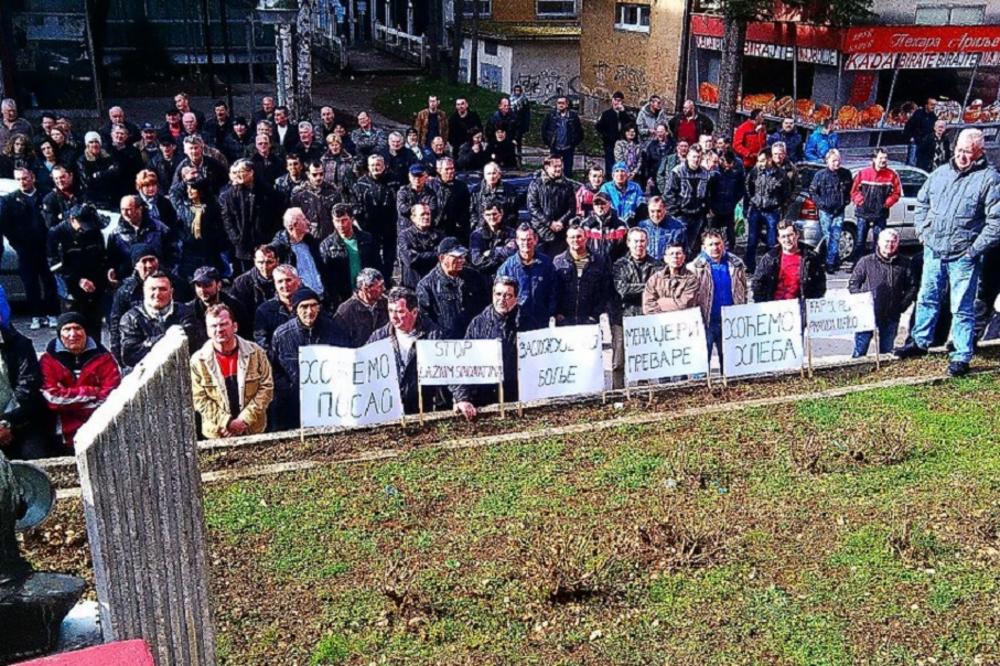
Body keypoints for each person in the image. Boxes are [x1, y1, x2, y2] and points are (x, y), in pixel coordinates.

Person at [896, 128, 1000, 376]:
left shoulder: (989, 179)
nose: (962, 156)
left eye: (968, 152)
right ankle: (919, 341)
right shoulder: (940, 174)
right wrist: (923, 231)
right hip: (934, 250)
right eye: (960, 150)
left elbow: (996, 223)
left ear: (980, 152)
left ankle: (961, 355)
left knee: (962, 307)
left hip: (964, 255)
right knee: (927, 298)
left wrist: (973, 250)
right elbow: (922, 203)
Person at [452, 276, 536, 420]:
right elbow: (464, 362)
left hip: (519, 398)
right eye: (498, 294)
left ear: (516, 298)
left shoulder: (528, 322)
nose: (502, 299)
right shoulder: (478, 324)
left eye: (508, 295)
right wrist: (462, 397)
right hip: (485, 398)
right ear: (492, 295)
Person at [39, 311, 121, 452]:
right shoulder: (48, 360)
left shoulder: (105, 358)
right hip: (62, 433)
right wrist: (93, 391)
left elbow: (112, 396)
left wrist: (67, 397)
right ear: (59, 334)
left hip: (100, 427)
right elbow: (52, 399)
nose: (73, 334)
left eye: (77, 328)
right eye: (67, 329)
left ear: (85, 332)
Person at [190, 304, 273, 439]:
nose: (219, 330)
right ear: (207, 330)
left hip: (253, 430)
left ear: (235, 326)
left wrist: (244, 420)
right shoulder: (197, 361)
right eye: (213, 326)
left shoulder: (256, 353)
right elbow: (198, 398)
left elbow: (267, 388)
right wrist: (227, 422)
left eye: (223, 324)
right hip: (217, 434)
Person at [270, 288, 347, 429]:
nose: (309, 311)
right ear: (295, 309)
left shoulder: (334, 330)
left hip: (328, 401)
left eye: (313, 305)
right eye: (304, 307)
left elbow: (346, 360)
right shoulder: (282, 335)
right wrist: (291, 389)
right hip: (294, 404)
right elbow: (274, 370)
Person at [367, 286, 443, 414]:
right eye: (390, 311)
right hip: (389, 408)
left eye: (400, 312)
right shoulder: (379, 337)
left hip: (424, 408)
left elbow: (449, 370)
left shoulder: (434, 336)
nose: (394, 317)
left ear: (414, 312)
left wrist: (461, 398)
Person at [0, 167, 59, 329]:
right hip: (25, 249)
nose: (22, 182)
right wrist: (17, 244)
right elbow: (6, 226)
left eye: (25, 178)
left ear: (32, 177)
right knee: (30, 283)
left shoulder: (45, 196)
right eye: (18, 179)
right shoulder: (9, 200)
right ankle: (36, 315)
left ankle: (52, 313)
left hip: (46, 247)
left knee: (49, 281)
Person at [848, 229, 916, 358]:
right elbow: (853, 284)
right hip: (867, 314)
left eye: (893, 242)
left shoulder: (905, 263)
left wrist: (902, 305)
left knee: (886, 353)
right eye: (886, 241)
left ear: (897, 243)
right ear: (879, 242)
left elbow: (912, 287)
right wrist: (862, 302)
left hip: (891, 314)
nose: (890, 245)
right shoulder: (866, 262)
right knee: (860, 351)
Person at [609, 228, 662, 388]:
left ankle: (643, 393)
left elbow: (660, 290)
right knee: (619, 361)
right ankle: (617, 395)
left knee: (643, 360)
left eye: (642, 241)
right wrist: (648, 288)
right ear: (628, 243)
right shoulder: (619, 264)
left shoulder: (657, 265)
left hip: (646, 317)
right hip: (622, 316)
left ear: (647, 242)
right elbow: (623, 290)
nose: (639, 245)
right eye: (636, 241)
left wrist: (644, 289)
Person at [46, 204, 109, 339]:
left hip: (94, 285)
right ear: (72, 220)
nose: (85, 229)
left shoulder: (94, 230)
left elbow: (101, 257)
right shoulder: (57, 234)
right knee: (73, 329)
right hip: (70, 289)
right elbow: (55, 266)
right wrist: (77, 280)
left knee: (94, 328)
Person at [118, 271, 200, 373]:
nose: (157, 294)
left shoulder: (185, 312)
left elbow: (192, 343)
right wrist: (167, 337)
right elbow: (130, 356)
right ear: (144, 291)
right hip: (145, 376)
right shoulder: (130, 318)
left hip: (182, 371)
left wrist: (148, 344)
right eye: (152, 289)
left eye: (163, 289)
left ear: (171, 292)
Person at [689, 230, 747, 364]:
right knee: (702, 364)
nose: (715, 248)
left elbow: (743, 289)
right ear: (703, 247)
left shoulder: (736, 264)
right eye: (711, 245)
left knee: (730, 364)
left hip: (729, 321)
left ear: (723, 244)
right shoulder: (695, 267)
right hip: (707, 321)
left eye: (718, 243)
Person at [0, 301, 46, 460]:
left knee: (35, 462)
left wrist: (5, 422)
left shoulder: (20, 345)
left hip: (20, 421)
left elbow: (28, 386)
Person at [416, 237, 488, 339]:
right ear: (442, 258)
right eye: (456, 257)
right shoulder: (426, 286)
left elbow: (485, 306)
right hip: (446, 344)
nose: (461, 260)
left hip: (475, 339)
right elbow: (425, 320)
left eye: (462, 256)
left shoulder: (474, 277)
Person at [221, 158, 278, 273]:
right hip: (243, 246)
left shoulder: (267, 191)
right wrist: (236, 238)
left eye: (241, 171)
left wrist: (269, 239)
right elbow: (227, 219)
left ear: (251, 172)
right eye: (236, 173)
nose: (238, 175)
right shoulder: (230, 195)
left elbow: (275, 217)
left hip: (265, 243)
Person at [497, 224, 557, 328]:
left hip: (541, 322)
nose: (526, 243)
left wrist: (551, 313)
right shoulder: (507, 267)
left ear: (535, 240)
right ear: (517, 241)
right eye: (522, 239)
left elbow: (554, 291)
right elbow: (498, 296)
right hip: (516, 323)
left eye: (529, 239)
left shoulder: (546, 264)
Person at [107, 194, 177, 283]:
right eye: (122, 209)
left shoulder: (160, 229)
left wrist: (167, 274)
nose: (125, 213)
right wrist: (111, 270)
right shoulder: (116, 234)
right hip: (128, 282)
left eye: (129, 209)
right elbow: (112, 259)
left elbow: (174, 255)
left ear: (140, 209)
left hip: (157, 278)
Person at [751, 220, 826, 303]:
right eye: (783, 236)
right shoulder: (769, 258)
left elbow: (820, 284)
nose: (787, 240)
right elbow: (757, 283)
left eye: (790, 235)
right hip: (774, 307)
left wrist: (811, 303)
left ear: (797, 235)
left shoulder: (810, 258)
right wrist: (764, 305)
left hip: (801, 306)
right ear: (779, 239)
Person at [319, 203, 380, 304]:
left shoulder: (367, 239)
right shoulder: (327, 245)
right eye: (337, 221)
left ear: (352, 219)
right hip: (343, 296)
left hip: (367, 291)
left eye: (344, 220)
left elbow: (377, 264)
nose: (340, 225)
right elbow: (326, 276)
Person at [554, 224, 610, 327]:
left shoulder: (599, 261)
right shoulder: (558, 262)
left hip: (589, 321)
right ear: (567, 239)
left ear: (586, 238)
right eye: (572, 237)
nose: (576, 240)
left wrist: (595, 314)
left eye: (579, 236)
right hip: (564, 320)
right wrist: (557, 313)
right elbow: (554, 291)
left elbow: (605, 290)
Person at [849, 149, 901, 259]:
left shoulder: (892, 175)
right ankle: (857, 265)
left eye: (885, 158)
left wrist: (886, 204)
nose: (884, 160)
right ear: (874, 159)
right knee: (859, 241)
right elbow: (854, 191)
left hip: (880, 213)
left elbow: (896, 193)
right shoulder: (863, 173)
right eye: (881, 158)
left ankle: (878, 264)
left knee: (879, 242)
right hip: (863, 212)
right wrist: (860, 201)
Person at [353, 154, 398, 279]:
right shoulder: (361, 184)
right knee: (373, 257)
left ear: (384, 166)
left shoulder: (394, 180)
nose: (375, 168)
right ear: (368, 167)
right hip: (369, 227)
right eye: (372, 165)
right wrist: (361, 224)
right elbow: (356, 205)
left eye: (378, 165)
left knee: (389, 257)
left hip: (390, 225)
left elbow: (397, 202)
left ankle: (387, 280)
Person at [744, 150, 789, 275]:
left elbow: (786, 192)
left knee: (771, 241)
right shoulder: (755, 171)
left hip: (772, 210)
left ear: (769, 159)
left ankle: (771, 267)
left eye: (763, 160)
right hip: (756, 208)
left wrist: (778, 203)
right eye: (759, 161)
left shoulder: (780, 174)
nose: (760, 164)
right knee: (752, 240)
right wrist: (753, 199)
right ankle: (750, 266)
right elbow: (748, 186)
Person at [809, 149, 853, 272]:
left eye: (838, 161)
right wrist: (821, 204)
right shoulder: (820, 175)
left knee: (836, 236)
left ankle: (830, 263)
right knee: (828, 237)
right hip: (825, 211)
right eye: (834, 161)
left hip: (839, 210)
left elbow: (850, 190)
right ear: (827, 161)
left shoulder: (846, 174)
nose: (836, 163)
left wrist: (846, 201)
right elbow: (812, 191)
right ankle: (831, 261)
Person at [662, 144, 712, 254]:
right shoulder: (677, 172)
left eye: (699, 157)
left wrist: (705, 210)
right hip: (681, 215)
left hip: (698, 215)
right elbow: (668, 194)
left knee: (694, 246)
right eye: (694, 156)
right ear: (688, 156)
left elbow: (708, 194)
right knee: (679, 244)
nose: (696, 160)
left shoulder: (705, 173)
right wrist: (675, 212)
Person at [527, 155, 577, 256]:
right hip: (540, 230)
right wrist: (549, 223)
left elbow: (572, 208)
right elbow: (533, 207)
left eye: (560, 166)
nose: (558, 169)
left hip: (561, 231)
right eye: (555, 166)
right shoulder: (536, 184)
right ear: (547, 167)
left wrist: (561, 222)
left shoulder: (567, 185)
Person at [187, 266, 251, 338]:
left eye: (207, 285)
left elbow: (246, 334)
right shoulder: (189, 310)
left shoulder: (235, 307)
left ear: (218, 285)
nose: (202, 290)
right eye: (198, 285)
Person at [333, 268, 389, 348]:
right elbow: (339, 340)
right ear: (366, 289)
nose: (384, 289)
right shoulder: (346, 311)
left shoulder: (386, 303)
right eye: (380, 286)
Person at [254, 264, 301, 351]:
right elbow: (261, 341)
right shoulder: (264, 310)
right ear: (275, 284)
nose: (285, 285)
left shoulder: (310, 304)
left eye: (288, 280)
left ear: (298, 281)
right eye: (280, 281)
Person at [290, 160, 342, 239]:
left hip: (330, 236)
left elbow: (339, 216)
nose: (319, 177)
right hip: (308, 237)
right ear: (308, 174)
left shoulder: (333, 191)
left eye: (321, 174)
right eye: (314, 175)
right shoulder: (299, 193)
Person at [642, 243, 700, 314]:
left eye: (678, 253)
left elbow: (686, 305)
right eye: (671, 254)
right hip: (659, 322)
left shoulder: (691, 279)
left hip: (683, 322)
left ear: (684, 257)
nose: (675, 256)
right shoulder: (655, 279)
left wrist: (661, 303)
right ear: (665, 258)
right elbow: (647, 307)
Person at [398, 203, 444, 289]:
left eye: (428, 214)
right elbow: (411, 260)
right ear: (413, 218)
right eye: (422, 214)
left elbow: (445, 258)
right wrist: (436, 255)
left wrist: (421, 256)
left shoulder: (439, 235)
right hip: (412, 286)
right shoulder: (404, 236)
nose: (426, 217)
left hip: (434, 285)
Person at [708, 150, 745, 252]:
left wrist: (734, 201)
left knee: (730, 235)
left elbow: (741, 188)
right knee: (712, 233)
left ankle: (729, 253)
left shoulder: (735, 173)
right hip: (714, 208)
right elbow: (707, 191)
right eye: (727, 163)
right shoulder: (714, 173)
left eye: (731, 163)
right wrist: (709, 207)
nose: (729, 166)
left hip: (729, 207)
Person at [430, 157, 472, 243]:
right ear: (439, 170)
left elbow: (467, 208)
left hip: (455, 230)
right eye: (447, 169)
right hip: (434, 229)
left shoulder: (461, 186)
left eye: (452, 168)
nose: (450, 171)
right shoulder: (430, 186)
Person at [469, 203, 518, 278]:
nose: (492, 217)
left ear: (501, 213)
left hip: (506, 275)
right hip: (484, 276)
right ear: (484, 216)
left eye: (494, 214)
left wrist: (491, 252)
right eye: (488, 215)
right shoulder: (476, 235)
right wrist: (501, 253)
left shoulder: (511, 232)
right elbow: (476, 261)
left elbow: (511, 253)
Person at [229, 244, 278, 315]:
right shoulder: (241, 283)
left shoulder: (286, 279)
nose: (265, 267)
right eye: (260, 262)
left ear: (277, 260)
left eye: (269, 262)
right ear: (254, 261)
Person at [541, 96, 584, 174]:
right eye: (559, 103)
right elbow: (544, 129)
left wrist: (573, 143)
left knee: (567, 170)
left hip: (568, 148)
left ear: (567, 104)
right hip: (555, 147)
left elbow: (579, 132)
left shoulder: (573, 116)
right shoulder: (551, 115)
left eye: (563, 103)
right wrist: (548, 142)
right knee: (554, 169)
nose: (561, 105)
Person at [76, 132, 119, 209]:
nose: (94, 144)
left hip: (110, 196)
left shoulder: (108, 156)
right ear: (87, 144)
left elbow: (116, 172)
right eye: (91, 142)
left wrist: (98, 174)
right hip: (93, 198)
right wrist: (107, 172)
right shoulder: (82, 160)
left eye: (96, 142)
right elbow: (87, 181)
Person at [638, 195, 686, 263]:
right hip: (647, 266)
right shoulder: (642, 226)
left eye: (659, 211)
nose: (656, 215)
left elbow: (683, 252)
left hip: (667, 267)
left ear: (665, 210)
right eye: (652, 211)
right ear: (648, 210)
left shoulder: (677, 228)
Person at [580, 194, 627, 262]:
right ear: (593, 206)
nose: (600, 207)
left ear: (609, 204)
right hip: (592, 265)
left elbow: (627, 248)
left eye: (603, 203)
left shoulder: (620, 224)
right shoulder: (585, 225)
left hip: (614, 265)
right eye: (596, 204)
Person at [595, 91, 634, 176]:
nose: (617, 103)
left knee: (622, 164)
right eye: (616, 100)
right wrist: (606, 136)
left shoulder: (624, 113)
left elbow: (630, 124)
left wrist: (623, 112)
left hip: (623, 143)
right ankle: (610, 180)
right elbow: (598, 127)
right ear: (612, 100)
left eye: (620, 101)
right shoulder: (606, 114)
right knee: (610, 164)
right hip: (610, 144)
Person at [470, 162, 518, 228]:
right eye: (489, 174)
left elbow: (513, 212)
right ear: (484, 175)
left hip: (504, 229)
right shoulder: (477, 190)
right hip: (482, 228)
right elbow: (472, 212)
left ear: (499, 175)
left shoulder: (509, 190)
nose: (491, 176)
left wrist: (505, 227)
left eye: (494, 173)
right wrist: (476, 226)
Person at [600, 161, 646, 226]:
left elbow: (642, 206)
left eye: (622, 171)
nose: (620, 174)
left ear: (627, 174)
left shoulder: (636, 187)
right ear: (613, 175)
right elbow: (601, 207)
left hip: (631, 224)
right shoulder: (606, 188)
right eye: (617, 171)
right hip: (612, 225)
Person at [396, 163, 438, 231]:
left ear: (425, 176)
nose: (417, 179)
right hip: (406, 229)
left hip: (425, 229)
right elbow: (402, 208)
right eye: (414, 176)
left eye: (420, 176)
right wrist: (420, 211)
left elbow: (433, 210)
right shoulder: (403, 191)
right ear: (409, 176)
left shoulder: (431, 193)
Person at [640, 124, 675, 194]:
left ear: (667, 132)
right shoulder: (651, 146)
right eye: (658, 132)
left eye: (661, 131)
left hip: (670, 179)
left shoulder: (673, 145)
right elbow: (647, 163)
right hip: (655, 179)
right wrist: (649, 178)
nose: (659, 134)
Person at [904, 97, 938, 167]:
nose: (933, 107)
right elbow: (909, 126)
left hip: (926, 144)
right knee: (911, 163)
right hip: (916, 142)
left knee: (923, 163)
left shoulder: (934, 117)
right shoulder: (918, 114)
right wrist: (910, 137)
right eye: (931, 105)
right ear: (926, 105)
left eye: (935, 105)